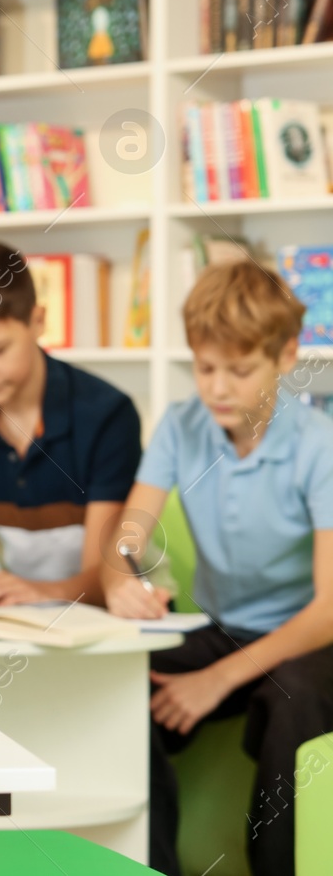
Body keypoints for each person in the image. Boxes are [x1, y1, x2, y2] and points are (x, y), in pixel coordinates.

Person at [102, 260, 333, 876]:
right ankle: (148, 866)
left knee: (298, 703)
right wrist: (120, 577)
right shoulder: (180, 427)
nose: (219, 389)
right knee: (114, 680)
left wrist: (218, 680)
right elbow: (128, 534)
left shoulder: (319, 446)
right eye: (205, 368)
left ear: (286, 356)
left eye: (240, 369)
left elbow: (328, 612)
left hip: (309, 637)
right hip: (222, 626)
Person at [0, 241, 142, 606]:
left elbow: (107, 579)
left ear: (38, 322)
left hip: (105, 617)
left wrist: (40, 593)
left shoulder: (107, 415)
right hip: (11, 616)